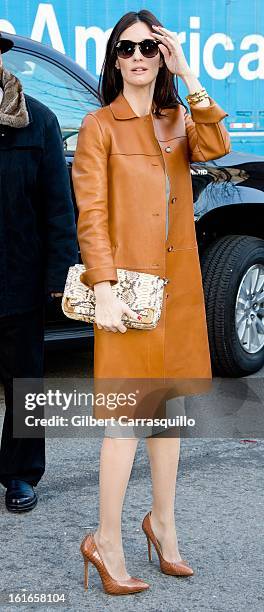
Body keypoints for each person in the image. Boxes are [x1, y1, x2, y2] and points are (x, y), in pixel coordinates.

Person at [72, 9, 231, 595]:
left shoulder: (177, 119)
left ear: (160, 56)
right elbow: (91, 215)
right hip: (129, 296)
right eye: (126, 48)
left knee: (168, 416)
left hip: (180, 291)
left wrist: (188, 73)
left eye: (148, 47)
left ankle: (162, 525)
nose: (137, 56)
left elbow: (215, 146)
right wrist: (105, 287)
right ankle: (105, 541)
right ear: (114, 60)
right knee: (125, 422)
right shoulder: (99, 126)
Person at [0, 32, 78, 512]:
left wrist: (58, 276)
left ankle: (22, 473)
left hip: (18, 280)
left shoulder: (38, 121)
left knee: (24, 384)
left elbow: (58, 207)